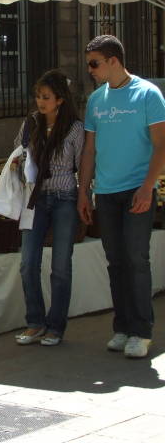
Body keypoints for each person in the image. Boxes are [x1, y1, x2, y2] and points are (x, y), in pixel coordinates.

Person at [78, 34, 165, 359]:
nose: (91, 70)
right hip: (106, 191)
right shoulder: (96, 100)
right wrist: (83, 192)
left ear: (114, 60)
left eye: (94, 63)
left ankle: (141, 331)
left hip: (137, 190)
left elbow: (161, 145)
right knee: (116, 261)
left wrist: (147, 187)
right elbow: (89, 150)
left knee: (136, 260)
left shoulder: (147, 94)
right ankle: (123, 326)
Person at [15, 70, 84, 347]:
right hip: (36, 198)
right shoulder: (30, 123)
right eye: (37, 97)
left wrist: (84, 197)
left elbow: (81, 163)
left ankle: (56, 326)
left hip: (65, 196)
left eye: (46, 97)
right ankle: (35, 322)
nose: (40, 102)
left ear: (60, 99)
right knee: (27, 263)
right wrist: (17, 163)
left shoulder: (74, 129)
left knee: (60, 266)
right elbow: (18, 153)